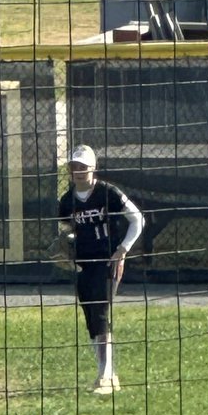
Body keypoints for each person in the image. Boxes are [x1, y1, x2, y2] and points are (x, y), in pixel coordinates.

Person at [58, 144, 144, 395]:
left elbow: (137, 219)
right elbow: (66, 231)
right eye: (74, 167)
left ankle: (105, 377)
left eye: (83, 167)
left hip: (108, 261)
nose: (78, 171)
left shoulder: (108, 193)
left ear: (93, 168)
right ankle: (106, 373)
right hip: (84, 264)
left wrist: (123, 249)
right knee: (91, 318)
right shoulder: (67, 200)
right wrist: (66, 249)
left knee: (102, 313)